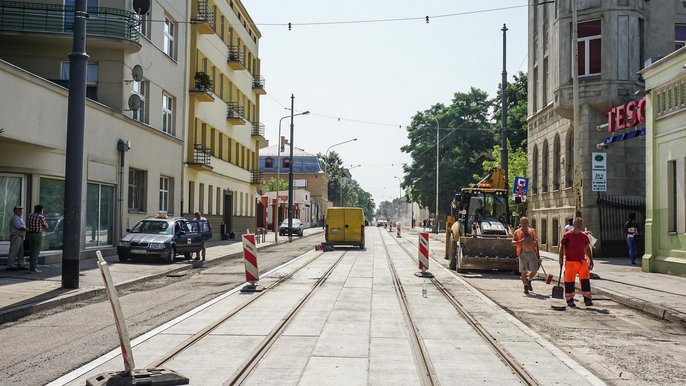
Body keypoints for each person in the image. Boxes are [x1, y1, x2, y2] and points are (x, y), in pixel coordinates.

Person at [559, 217, 595, 307]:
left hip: (582, 262)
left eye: (580, 224)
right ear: (573, 224)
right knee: (569, 281)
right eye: (577, 223)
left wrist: (591, 260)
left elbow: (587, 248)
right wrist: (560, 259)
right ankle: (570, 299)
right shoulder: (567, 236)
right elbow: (562, 247)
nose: (579, 225)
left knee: (585, 280)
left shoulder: (584, 236)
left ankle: (587, 299)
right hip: (570, 262)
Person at [512, 217, 540, 294]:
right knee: (523, 271)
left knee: (535, 270)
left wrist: (538, 254)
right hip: (523, 253)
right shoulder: (517, 232)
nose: (525, 224)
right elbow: (513, 242)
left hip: (532, 252)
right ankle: (525, 287)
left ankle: (529, 280)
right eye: (523, 222)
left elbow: (536, 242)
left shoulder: (532, 231)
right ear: (520, 223)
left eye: (526, 222)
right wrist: (520, 242)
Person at [26, 204, 48, 273]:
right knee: (36, 251)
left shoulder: (31, 216)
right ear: (41, 210)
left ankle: (31, 267)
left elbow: (28, 224)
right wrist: (44, 226)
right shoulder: (41, 216)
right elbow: (46, 226)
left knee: (31, 251)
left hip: (30, 234)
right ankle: (33, 268)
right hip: (37, 234)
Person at [7, 205, 28, 271]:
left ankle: (21, 264)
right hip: (16, 236)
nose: (20, 211)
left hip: (20, 236)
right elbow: (19, 227)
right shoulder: (15, 218)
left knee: (21, 252)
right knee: (14, 251)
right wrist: (28, 229)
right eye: (19, 210)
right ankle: (10, 266)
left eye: (21, 209)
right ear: (15, 211)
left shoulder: (20, 218)